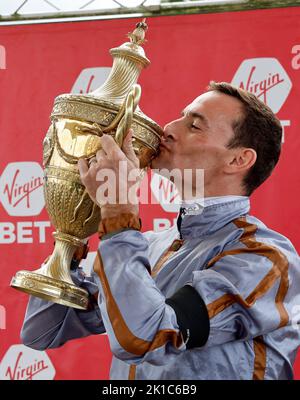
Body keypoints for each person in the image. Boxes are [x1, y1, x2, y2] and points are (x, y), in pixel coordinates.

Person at [21, 82, 300, 380]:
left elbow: (146, 338)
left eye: (194, 125)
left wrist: (118, 212)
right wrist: (72, 233)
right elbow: (43, 331)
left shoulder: (264, 257)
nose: (167, 127)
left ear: (238, 160)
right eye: (180, 116)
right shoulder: (149, 244)